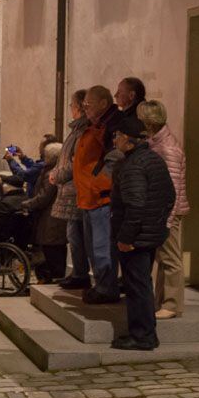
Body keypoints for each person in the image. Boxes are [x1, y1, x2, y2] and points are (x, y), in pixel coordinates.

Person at [109, 117, 175, 350]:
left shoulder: (133, 165)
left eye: (116, 135)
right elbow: (169, 197)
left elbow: (134, 205)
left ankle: (142, 335)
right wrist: (158, 224)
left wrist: (126, 238)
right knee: (141, 284)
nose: (114, 140)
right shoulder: (153, 159)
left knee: (137, 287)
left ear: (128, 139)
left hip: (136, 237)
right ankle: (146, 333)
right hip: (149, 233)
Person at [138, 100, 190, 319]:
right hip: (160, 211)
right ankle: (163, 301)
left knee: (171, 258)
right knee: (163, 257)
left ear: (148, 121)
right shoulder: (156, 143)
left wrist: (167, 219)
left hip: (168, 212)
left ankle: (172, 304)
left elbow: (174, 188)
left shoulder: (168, 148)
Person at [73, 85, 123, 304]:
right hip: (88, 196)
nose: (85, 109)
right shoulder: (94, 125)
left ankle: (106, 288)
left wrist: (97, 182)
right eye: (83, 105)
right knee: (94, 247)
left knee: (102, 248)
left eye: (88, 105)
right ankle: (101, 286)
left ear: (103, 104)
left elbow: (115, 157)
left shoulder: (111, 126)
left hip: (100, 197)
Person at [50, 90, 91, 290]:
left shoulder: (83, 130)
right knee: (74, 235)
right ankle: (78, 272)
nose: (71, 109)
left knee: (77, 236)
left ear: (79, 107)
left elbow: (76, 162)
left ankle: (81, 274)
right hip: (71, 189)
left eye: (72, 105)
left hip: (76, 190)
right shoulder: (77, 130)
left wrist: (57, 175)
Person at [22, 143, 68, 283]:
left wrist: (26, 204)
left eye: (45, 155)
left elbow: (44, 197)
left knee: (52, 251)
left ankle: (53, 278)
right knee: (53, 249)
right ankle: (52, 277)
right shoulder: (50, 170)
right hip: (51, 217)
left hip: (51, 219)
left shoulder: (51, 173)